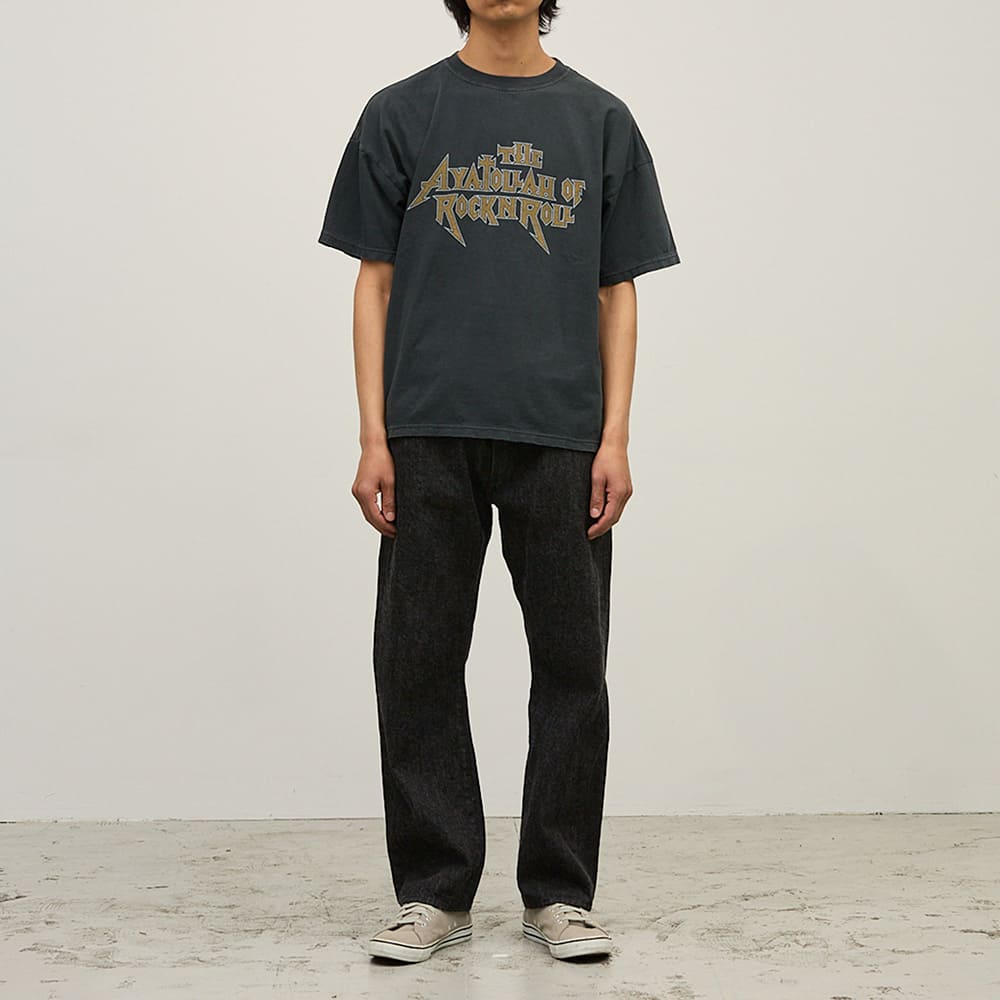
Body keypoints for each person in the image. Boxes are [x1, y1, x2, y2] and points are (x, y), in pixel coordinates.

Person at [317, 0, 680, 964]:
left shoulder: (600, 120)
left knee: (572, 667)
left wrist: (615, 436)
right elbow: (373, 282)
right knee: (417, 660)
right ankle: (434, 892)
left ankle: (559, 893)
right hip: (426, 429)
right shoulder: (402, 112)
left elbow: (616, 289)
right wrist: (373, 434)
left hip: (560, 435)